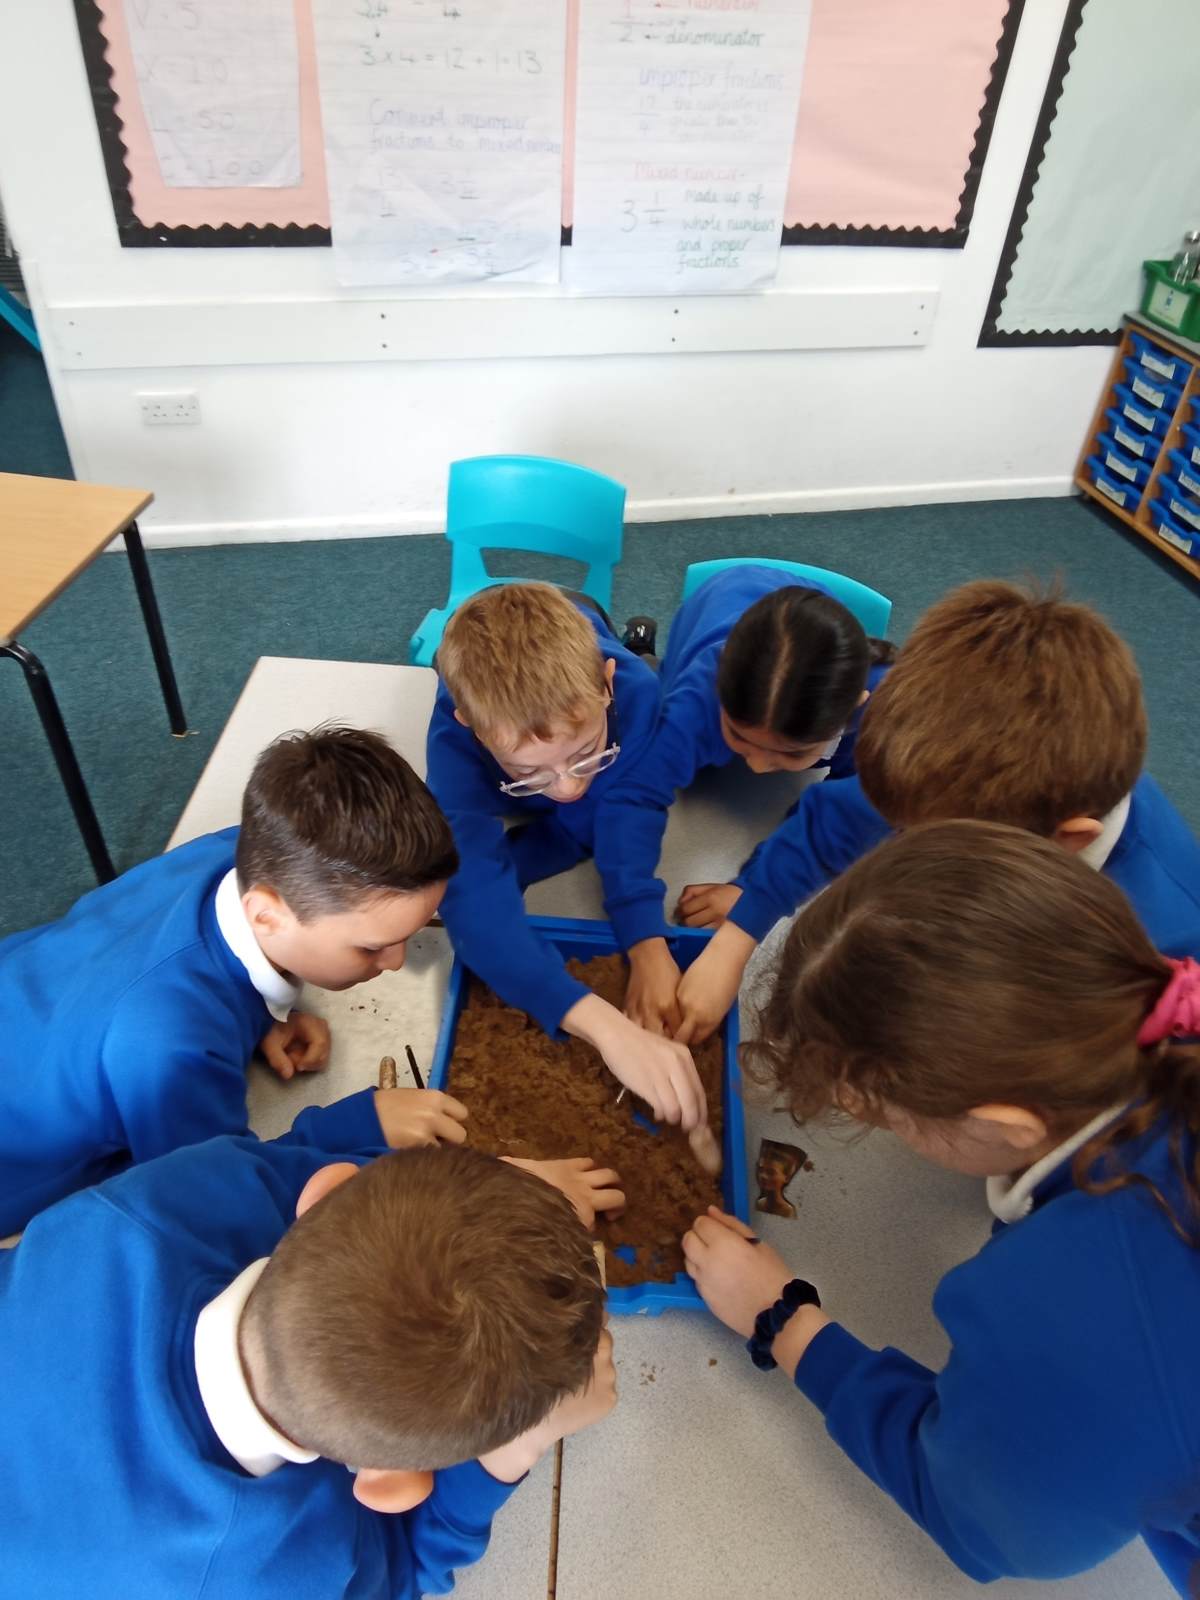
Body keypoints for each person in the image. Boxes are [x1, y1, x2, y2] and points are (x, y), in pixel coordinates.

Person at [684, 821, 1200, 1594]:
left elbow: (992, 1525)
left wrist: (782, 1320)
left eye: (888, 1118)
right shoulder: (1162, 956)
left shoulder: (1078, 1313)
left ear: (1005, 1124)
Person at [0, 1107, 622, 1600]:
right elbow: (404, 1566)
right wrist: (511, 1452)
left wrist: (366, 1126)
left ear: (322, 1192)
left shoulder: (146, 1208)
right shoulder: (277, 1573)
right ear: (389, 1485)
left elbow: (285, 1163)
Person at [675, 580, 1200, 1043]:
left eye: (924, 837)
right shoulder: (946, 781)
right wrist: (737, 939)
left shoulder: (1166, 944)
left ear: (1068, 840)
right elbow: (830, 824)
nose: (906, 843)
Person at [0, 724, 467, 1235]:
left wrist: (259, 1016)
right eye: (372, 947)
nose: (397, 963)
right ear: (266, 916)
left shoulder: (242, 850)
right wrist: (360, 1126)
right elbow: (209, 1196)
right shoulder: (170, 1045)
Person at [427, 581, 705, 1129]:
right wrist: (602, 1025)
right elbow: (470, 885)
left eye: (585, 754)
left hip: (580, 609)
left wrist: (646, 939)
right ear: (473, 728)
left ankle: (637, 639)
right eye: (528, 771)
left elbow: (625, 812)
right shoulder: (453, 741)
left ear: (607, 684)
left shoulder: (637, 690)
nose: (568, 787)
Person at [594, 566, 891, 1035]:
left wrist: (750, 892)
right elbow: (631, 798)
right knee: (647, 702)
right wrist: (644, 942)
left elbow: (849, 814)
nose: (757, 766)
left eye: (791, 753)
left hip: (802, 638)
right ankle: (642, 650)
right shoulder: (696, 697)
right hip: (717, 603)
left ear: (853, 706)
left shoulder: (885, 719)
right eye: (738, 736)